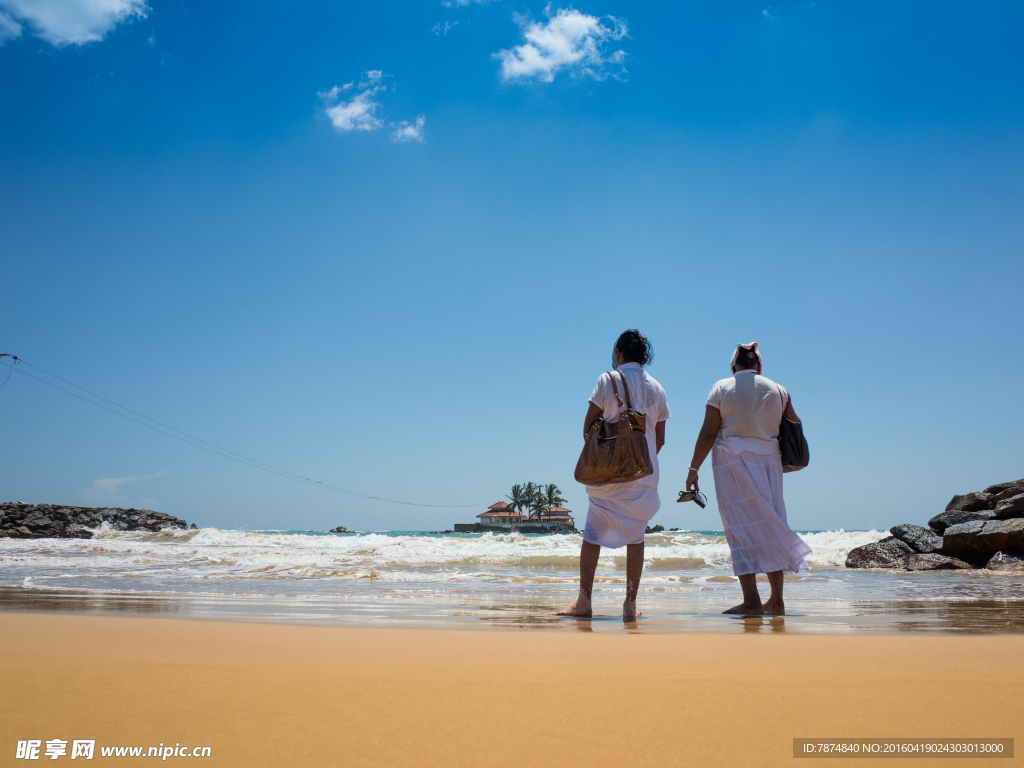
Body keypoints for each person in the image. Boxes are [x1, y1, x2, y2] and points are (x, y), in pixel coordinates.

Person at [685, 342, 810, 616]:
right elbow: (793, 424)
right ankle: (776, 601)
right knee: (772, 524)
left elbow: (708, 433)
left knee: (741, 529)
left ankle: (752, 600)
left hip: (733, 464)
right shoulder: (779, 389)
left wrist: (693, 469)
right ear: (759, 366)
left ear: (733, 367)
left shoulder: (720, 388)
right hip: (769, 464)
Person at [557, 329, 670, 622]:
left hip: (607, 477)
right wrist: (636, 461)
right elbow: (660, 440)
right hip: (644, 476)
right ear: (644, 355)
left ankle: (584, 601)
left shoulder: (607, 380)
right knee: (637, 536)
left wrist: (607, 458)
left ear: (618, 352)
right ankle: (630, 605)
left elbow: (588, 427)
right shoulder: (658, 388)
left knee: (593, 533)